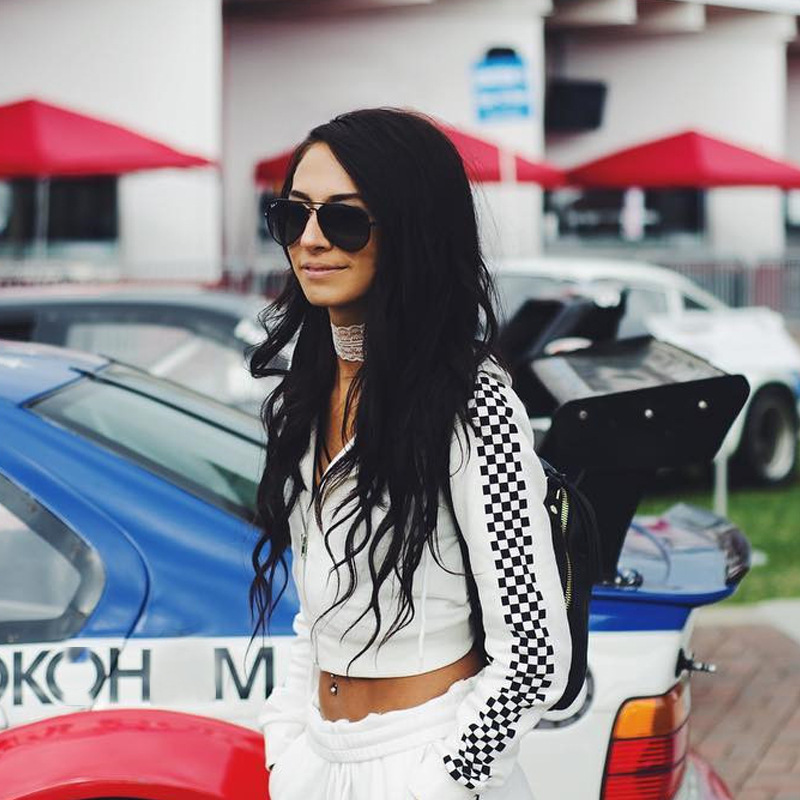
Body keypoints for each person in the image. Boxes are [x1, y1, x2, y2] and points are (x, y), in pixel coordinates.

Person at [249, 108, 572, 800]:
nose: (310, 240)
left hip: (426, 763)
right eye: (293, 215)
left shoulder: (474, 403)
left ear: (412, 231)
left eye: (345, 220)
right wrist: (287, 749)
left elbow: (533, 651)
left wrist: (442, 783)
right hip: (319, 764)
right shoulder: (308, 394)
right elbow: (318, 611)